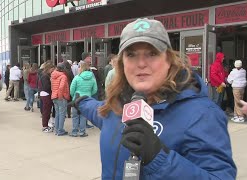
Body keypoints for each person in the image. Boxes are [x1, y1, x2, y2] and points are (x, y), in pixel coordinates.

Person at [73, 18, 236, 179]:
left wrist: (158, 158)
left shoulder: (202, 114)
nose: (141, 63)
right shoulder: (118, 104)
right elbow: (101, 113)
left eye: (152, 53)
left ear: (169, 60)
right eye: (131, 54)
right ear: (122, 64)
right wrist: (82, 101)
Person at [69, 62, 97, 137]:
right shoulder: (92, 78)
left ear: (81, 68)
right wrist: (89, 93)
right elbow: (95, 89)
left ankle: (74, 131)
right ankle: (82, 132)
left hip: (77, 98)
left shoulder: (77, 77)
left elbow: (72, 89)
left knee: (75, 116)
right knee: (83, 116)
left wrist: (73, 95)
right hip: (87, 98)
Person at [51, 63, 70, 136]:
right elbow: (61, 87)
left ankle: (56, 130)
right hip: (61, 97)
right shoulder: (63, 76)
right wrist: (61, 96)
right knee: (62, 114)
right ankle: (60, 130)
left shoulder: (53, 75)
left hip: (54, 96)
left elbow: (53, 86)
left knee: (57, 113)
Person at [40, 63, 56, 133]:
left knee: (47, 110)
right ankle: (45, 126)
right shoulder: (45, 76)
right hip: (46, 94)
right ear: (49, 68)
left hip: (46, 94)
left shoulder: (46, 75)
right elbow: (46, 87)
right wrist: (53, 85)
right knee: (46, 111)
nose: (53, 70)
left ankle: (46, 125)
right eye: (52, 69)